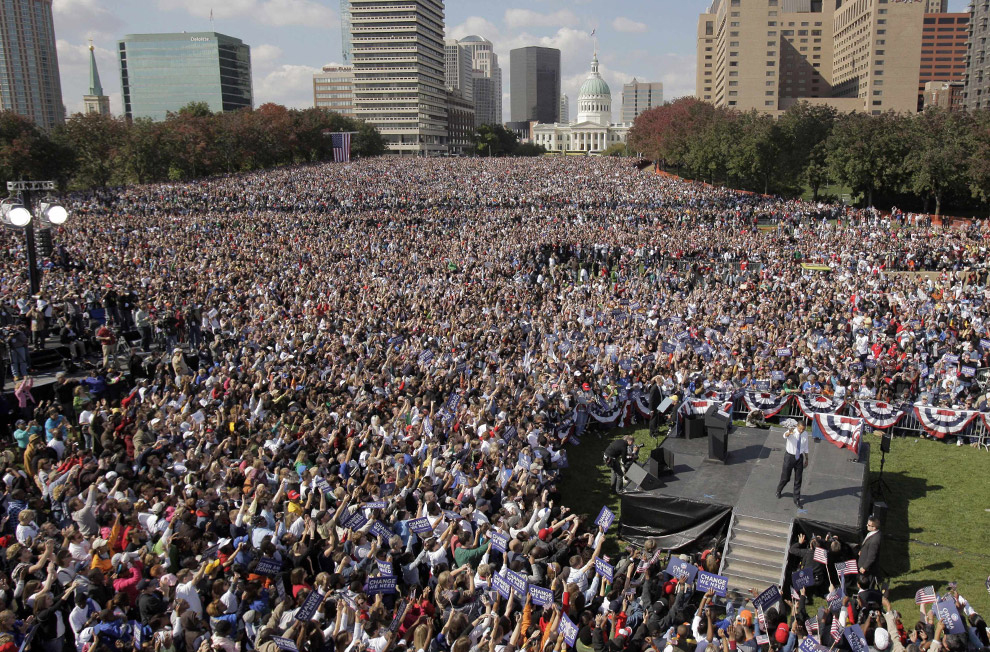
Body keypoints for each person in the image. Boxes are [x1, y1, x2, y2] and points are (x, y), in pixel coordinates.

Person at [776, 420, 809, 508]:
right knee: (786, 477)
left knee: (798, 479)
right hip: (789, 457)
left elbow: (806, 447)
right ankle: (779, 490)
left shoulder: (805, 434)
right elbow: (784, 436)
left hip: (799, 458)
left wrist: (807, 458)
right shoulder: (791, 431)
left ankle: (796, 499)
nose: (801, 431)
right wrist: (788, 434)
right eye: (800, 429)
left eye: (803, 429)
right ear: (797, 426)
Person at [858, 515, 882, 587]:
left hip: (868, 568)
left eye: (869, 525)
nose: (866, 525)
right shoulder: (874, 534)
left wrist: (864, 567)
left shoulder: (874, 540)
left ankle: (866, 595)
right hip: (864, 560)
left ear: (874, 527)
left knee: (867, 583)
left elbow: (872, 557)